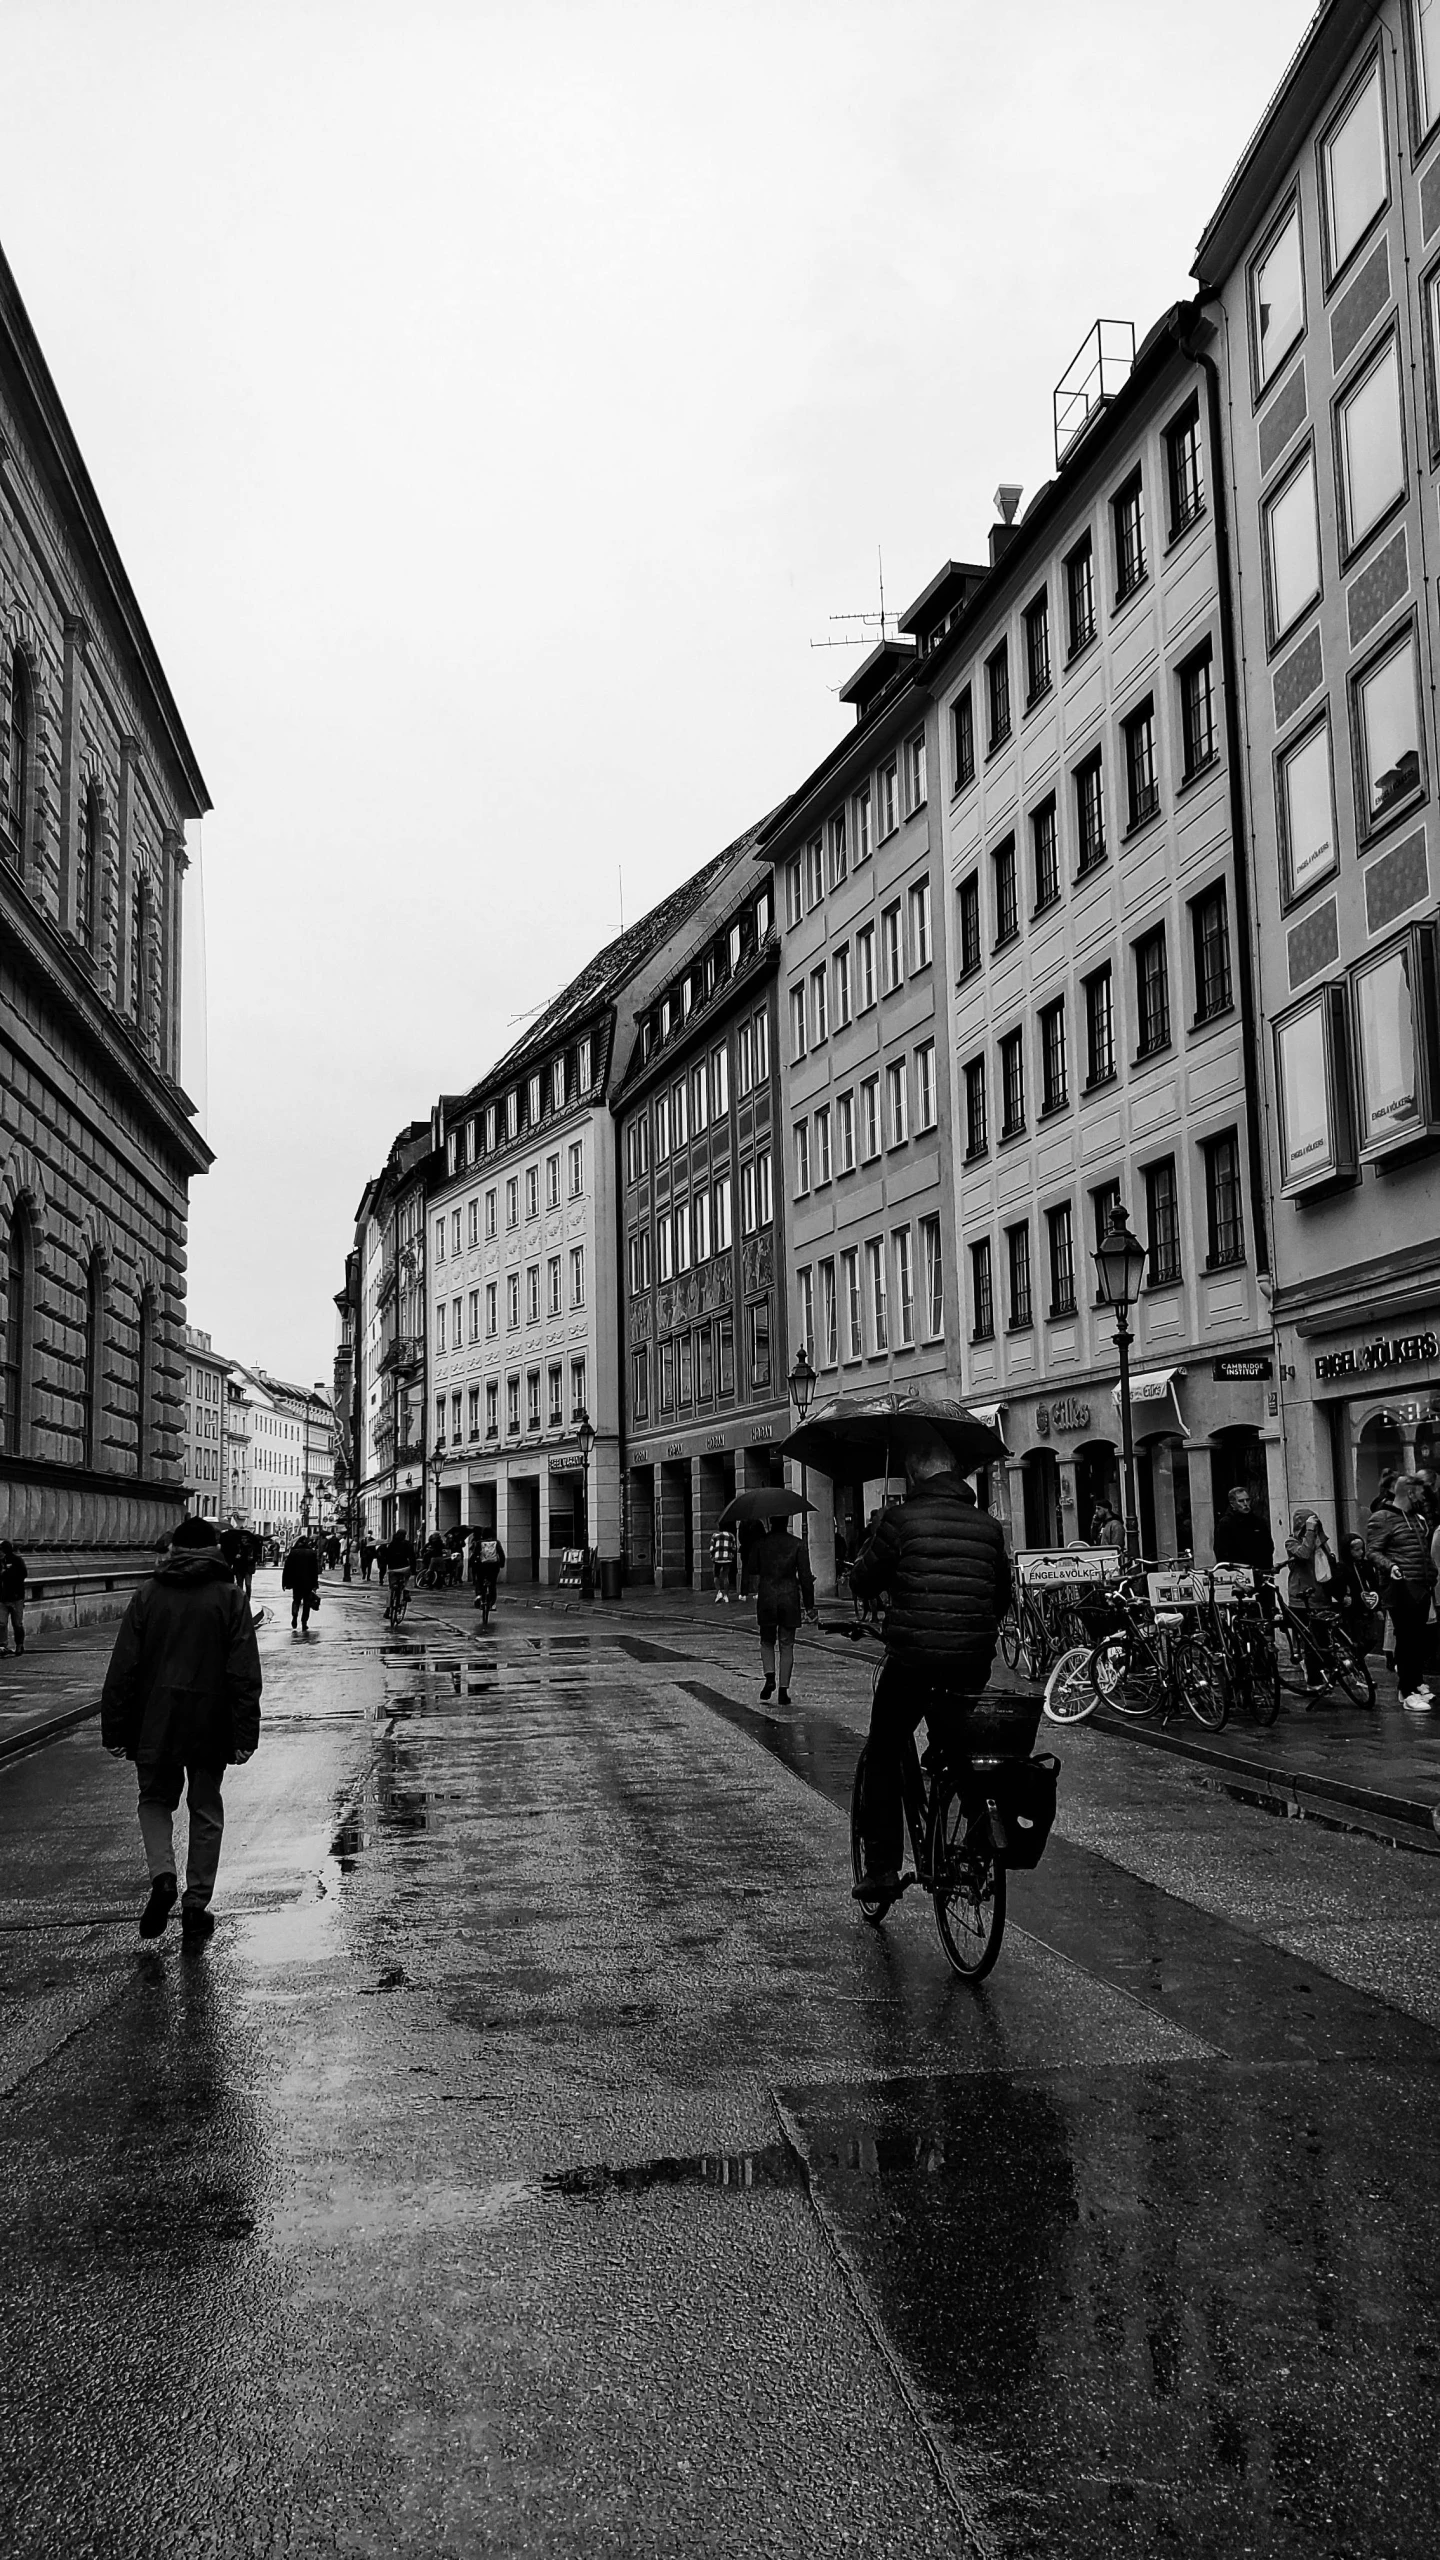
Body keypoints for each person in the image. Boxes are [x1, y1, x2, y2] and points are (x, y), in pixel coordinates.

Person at [848, 1434, 1012, 1908]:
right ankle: (976, 1842)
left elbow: (863, 1580)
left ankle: (881, 1867)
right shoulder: (986, 1527)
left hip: (914, 1661)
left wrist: (872, 1543)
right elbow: (1000, 1596)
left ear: (916, 1475)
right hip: (970, 1662)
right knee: (961, 1751)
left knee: (883, 1748)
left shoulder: (900, 1520)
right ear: (956, 1475)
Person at [100, 1514, 262, 1941]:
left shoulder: (148, 1594)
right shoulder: (229, 1597)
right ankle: (195, 1906)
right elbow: (244, 1673)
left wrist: (114, 1727)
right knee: (206, 1810)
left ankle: (163, 1877)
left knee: (153, 1799)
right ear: (214, 1550)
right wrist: (246, 1733)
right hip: (210, 1722)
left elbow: (123, 1667)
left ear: (174, 1550)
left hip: (154, 1720)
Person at [1366, 1475, 1437, 1711]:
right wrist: (1391, 1567)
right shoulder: (1382, 1518)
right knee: (1407, 1639)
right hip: (1401, 1587)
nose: (1423, 1497)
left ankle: (1414, 1684)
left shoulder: (1416, 1519)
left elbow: (1422, 1549)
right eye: (1419, 1493)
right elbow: (1373, 1551)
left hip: (1420, 1584)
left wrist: (1431, 1572)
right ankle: (1407, 1691)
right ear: (1409, 1493)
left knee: (1418, 1638)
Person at [750, 1521, 815, 1705]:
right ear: (787, 1521)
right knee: (787, 1644)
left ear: (772, 1520)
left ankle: (770, 1676)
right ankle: (783, 1691)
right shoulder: (797, 1544)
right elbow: (805, 1576)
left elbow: (752, 1568)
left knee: (766, 1640)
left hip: (767, 1597)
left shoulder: (761, 1543)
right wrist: (809, 1605)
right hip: (789, 1598)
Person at [1284, 1508, 1335, 1699]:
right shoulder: (1292, 1542)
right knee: (1310, 1642)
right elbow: (1304, 1554)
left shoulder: (1320, 1542)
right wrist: (1310, 1531)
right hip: (1302, 1599)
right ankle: (1314, 1679)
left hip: (1321, 1597)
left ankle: (1325, 1672)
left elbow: (1329, 1563)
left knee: (1323, 1639)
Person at [1212, 1485, 1274, 1576]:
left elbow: (1268, 1546)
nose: (1245, 1504)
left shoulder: (1259, 1521)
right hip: (1238, 1573)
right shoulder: (1225, 1524)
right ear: (1233, 1504)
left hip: (1261, 1571)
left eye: (1247, 1500)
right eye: (1241, 1501)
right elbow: (1222, 1552)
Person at [282, 1534, 321, 1632]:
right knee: (306, 1603)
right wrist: (315, 1584)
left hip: (296, 1582)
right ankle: (304, 1623)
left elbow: (287, 1569)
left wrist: (285, 1582)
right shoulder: (311, 1553)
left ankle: (294, 1616)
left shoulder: (293, 1553)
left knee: (296, 1600)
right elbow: (314, 1570)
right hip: (308, 1582)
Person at [0, 1539, 27, 1656]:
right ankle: (2, 1646)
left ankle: (19, 1645)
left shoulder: (16, 1561)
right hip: (2, 1598)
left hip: (16, 1598)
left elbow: (23, 1575)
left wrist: (6, 1574)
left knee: (17, 1624)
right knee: (1, 1623)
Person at [473, 1531, 504, 1626]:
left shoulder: (479, 1543)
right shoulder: (496, 1542)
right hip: (494, 1566)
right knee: (493, 1583)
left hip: (482, 1566)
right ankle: (492, 1603)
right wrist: (502, 1564)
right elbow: (501, 1554)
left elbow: (475, 1554)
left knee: (480, 1581)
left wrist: (473, 1564)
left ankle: (480, 1598)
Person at [385, 1526, 415, 1618]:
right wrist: (413, 1571)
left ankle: (388, 1609)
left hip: (392, 1569)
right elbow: (412, 1557)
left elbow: (386, 1557)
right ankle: (406, 1591)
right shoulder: (407, 1544)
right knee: (409, 1578)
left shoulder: (391, 1544)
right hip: (404, 1568)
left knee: (390, 1589)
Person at [710, 1522, 738, 1604]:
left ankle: (719, 1592)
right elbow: (734, 1548)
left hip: (717, 1558)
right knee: (726, 1576)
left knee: (716, 1575)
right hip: (727, 1558)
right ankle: (726, 1596)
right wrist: (731, 1556)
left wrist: (712, 1556)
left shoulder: (715, 1535)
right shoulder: (731, 1536)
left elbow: (712, 1548)